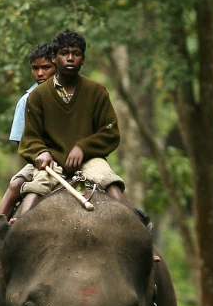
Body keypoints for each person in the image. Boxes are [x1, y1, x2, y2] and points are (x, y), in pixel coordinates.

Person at [12, 29, 130, 219]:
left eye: (76, 54)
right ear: (54, 57)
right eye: (64, 53)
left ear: (83, 60)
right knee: (35, 189)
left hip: (89, 160)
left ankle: (136, 226)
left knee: (111, 183)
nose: (70, 58)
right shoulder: (38, 96)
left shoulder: (97, 91)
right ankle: (17, 229)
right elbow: (30, 136)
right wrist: (40, 151)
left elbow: (109, 132)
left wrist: (83, 147)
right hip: (52, 161)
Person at [0, 43, 57, 218]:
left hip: (72, 158)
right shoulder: (26, 101)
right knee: (15, 185)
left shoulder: (72, 95)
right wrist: (37, 156)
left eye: (46, 67)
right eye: (35, 68)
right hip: (40, 161)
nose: (40, 73)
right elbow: (20, 142)